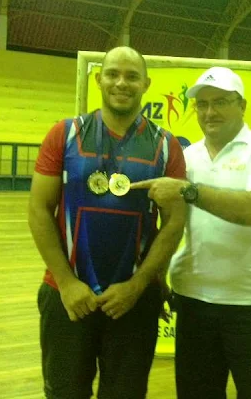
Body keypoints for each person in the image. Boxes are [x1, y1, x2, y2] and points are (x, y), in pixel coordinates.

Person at [28, 46, 187, 399]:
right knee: (64, 393)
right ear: (98, 79)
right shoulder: (64, 134)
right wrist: (67, 282)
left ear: (146, 84)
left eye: (132, 76)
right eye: (113, 74)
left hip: (133, 300)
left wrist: (138, 285)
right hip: (68, 296)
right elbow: (39, 209)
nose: (121, 83)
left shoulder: (166, 146)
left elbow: (175, 223)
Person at [132, 66, 251, 399]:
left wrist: (188, 190)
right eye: (202, 104)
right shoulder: (187, 157)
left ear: (242, 106)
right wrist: (158, 276)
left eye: (220, 102)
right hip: (194, 301)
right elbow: (173, 225)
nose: (209, 112)